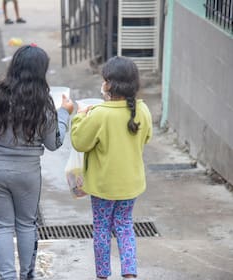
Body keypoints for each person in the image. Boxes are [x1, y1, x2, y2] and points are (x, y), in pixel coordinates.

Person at [0, 45, 74, 280]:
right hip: (28, 174)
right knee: (27, 225)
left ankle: (7, 277)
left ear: (14, 65)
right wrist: (66, 113)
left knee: (0, 227)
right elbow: (54, 143)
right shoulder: (45, 103)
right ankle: (27, 275)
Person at [70, 56, 152, 280]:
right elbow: (146, 137)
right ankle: (130, 275)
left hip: (104, 186)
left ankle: (103, 275)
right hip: (131, 184)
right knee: (125, 226)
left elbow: (79, 142)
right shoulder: (142, 110)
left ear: (108, 84)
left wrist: (77, 118)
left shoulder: (99, 114)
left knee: (102, 229)